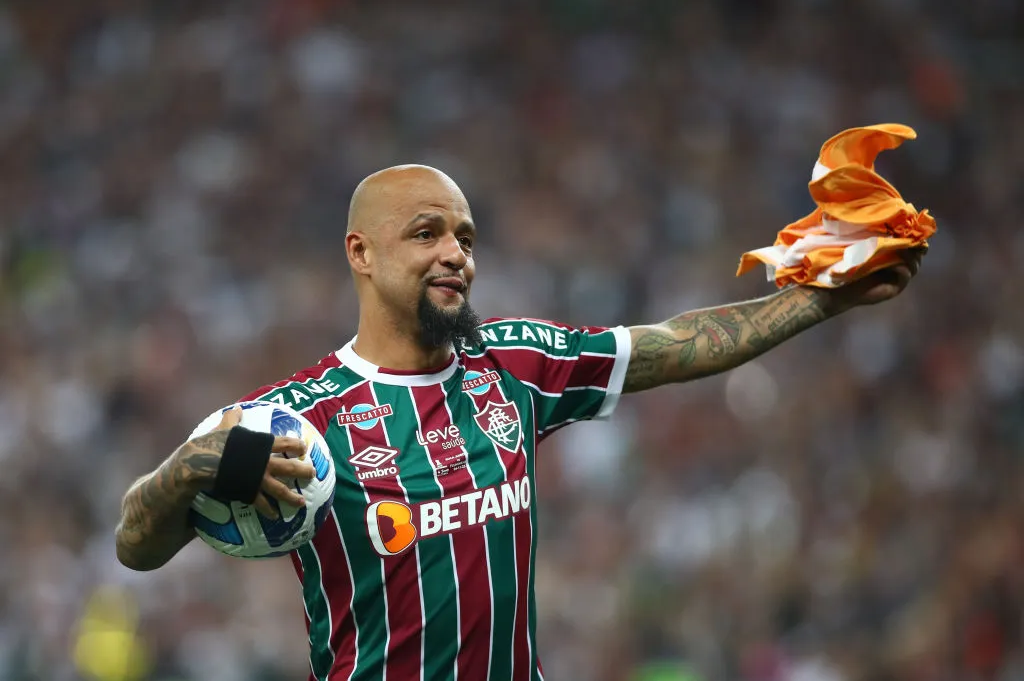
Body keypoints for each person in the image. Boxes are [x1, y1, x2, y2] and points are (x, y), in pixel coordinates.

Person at [114, 164, 924, 681]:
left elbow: (679, 345)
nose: (455, 254)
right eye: (425, 233)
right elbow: (135, 544)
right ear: (361, 253)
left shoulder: (512, 363)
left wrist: (820, 297)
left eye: (465, 237)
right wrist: (189, 468)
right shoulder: (297, 419)